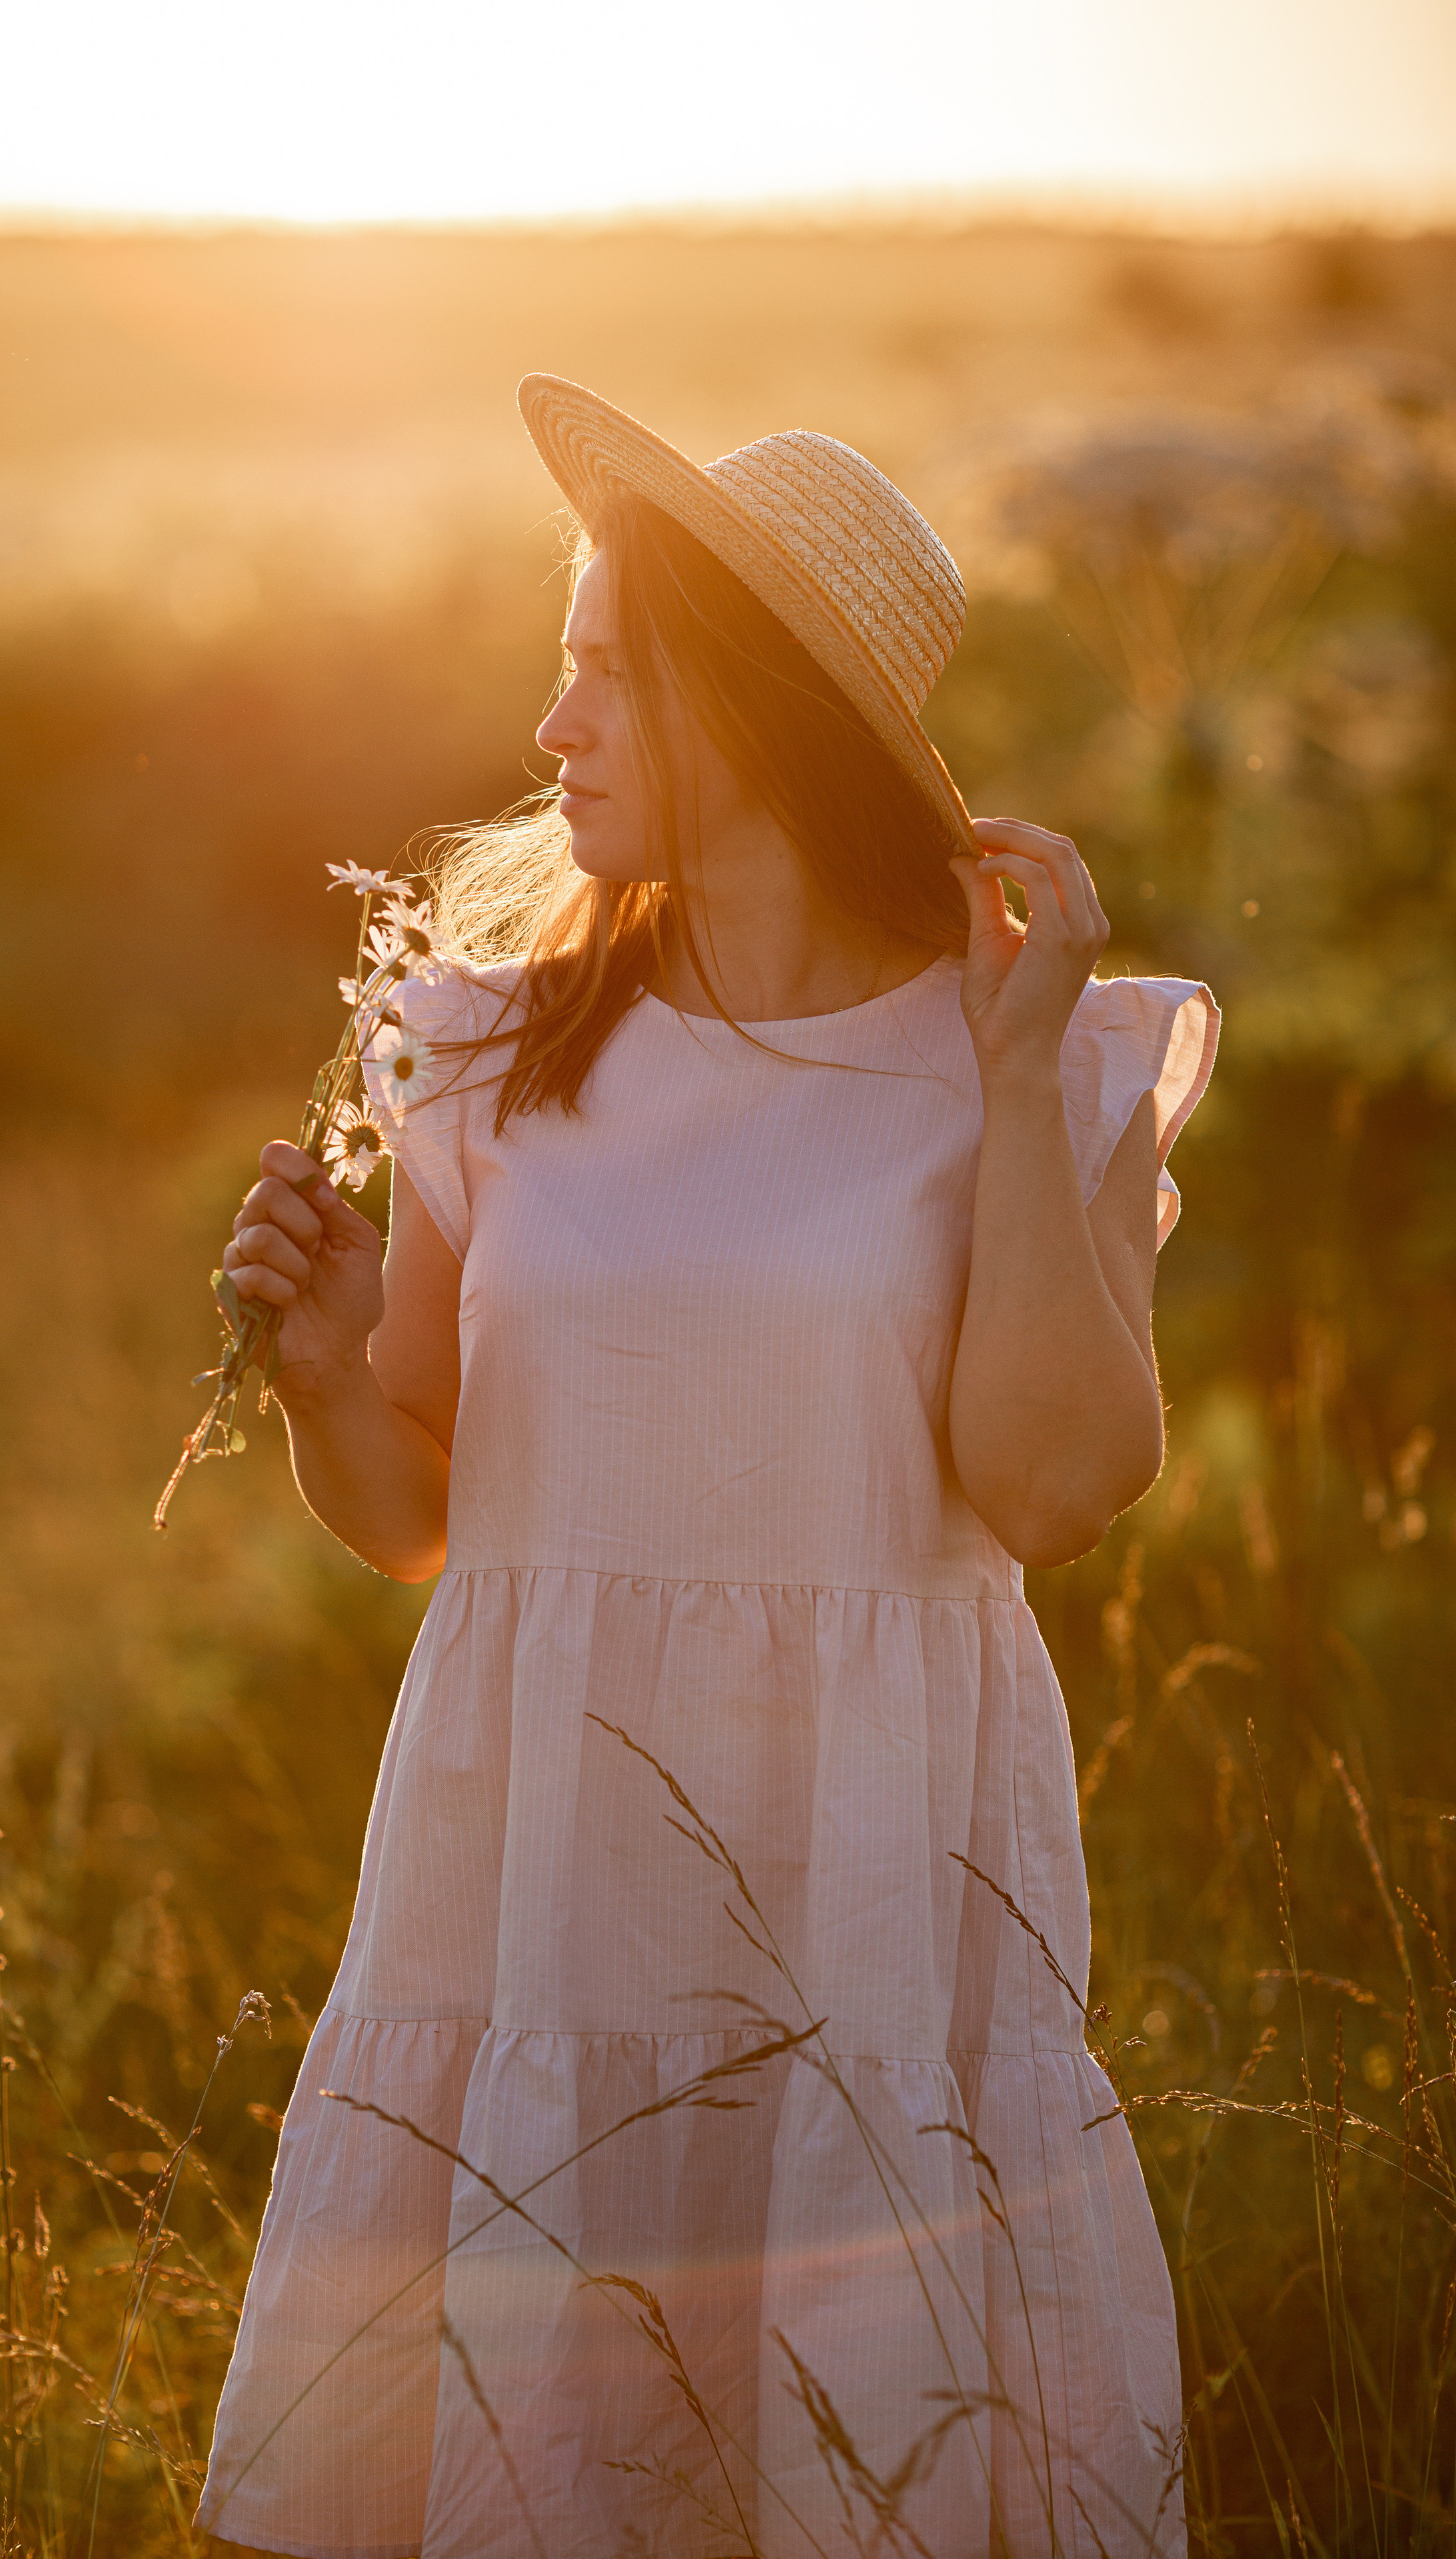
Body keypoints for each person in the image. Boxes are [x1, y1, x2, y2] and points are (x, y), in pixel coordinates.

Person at [197, 375, 1218, 2559]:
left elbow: (1050, 1489)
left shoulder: (1023, 1052)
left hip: (865, 1881)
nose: (549, 725)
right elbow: (422, 1519)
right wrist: (316, 1371)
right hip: (549, 1864)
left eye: (598, 671)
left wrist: (1027, 1074)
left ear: (745, 708)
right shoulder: (493, 1045)